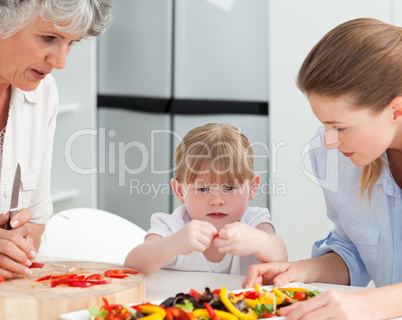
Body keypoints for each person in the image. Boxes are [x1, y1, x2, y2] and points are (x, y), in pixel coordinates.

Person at [242, 18, 402, 320]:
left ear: (396, 110)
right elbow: (356, 248)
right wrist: (304, 270)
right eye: (325, 125)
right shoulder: (335, 155)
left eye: (340, 127)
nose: (329, 142)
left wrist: (369, 305)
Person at [0, 0, 112, 279]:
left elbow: (35, 224)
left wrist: (17, 245)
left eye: (71, 43)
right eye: (49, 38)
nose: (61, 62)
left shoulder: (43, 93)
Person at [124, 123, 287, 277]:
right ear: (180, 191)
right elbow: (132, 267)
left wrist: (259, 241)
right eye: (203, 189)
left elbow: (280, 256)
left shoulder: (253, 222)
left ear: (252, 188)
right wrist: (171, 245)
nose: (216, 201)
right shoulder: (172, 227)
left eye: (229, 188)